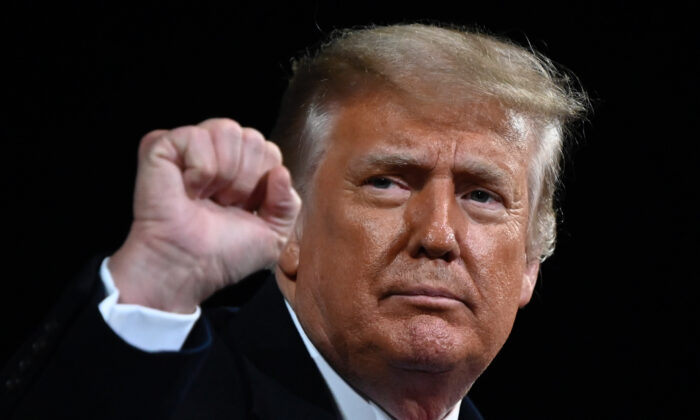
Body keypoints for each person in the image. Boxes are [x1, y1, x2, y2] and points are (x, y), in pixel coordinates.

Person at [1, 24, 586, 419]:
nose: (436, 234)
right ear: (290, 231)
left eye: (482, 195)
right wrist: (158, 283)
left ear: (532, 260)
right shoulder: (182, 396)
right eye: (386, 182)